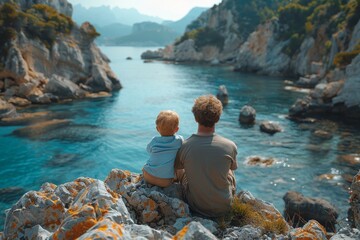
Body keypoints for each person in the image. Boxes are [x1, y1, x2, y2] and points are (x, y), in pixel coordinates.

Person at [175, 95, 238, 217]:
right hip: (224, 207)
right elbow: (233, 168)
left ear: (195, 118)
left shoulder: (185, 146)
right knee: (229, 170)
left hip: (195, 206)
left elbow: (176, 169)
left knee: (180, 168)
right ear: (218, 119)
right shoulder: (230, 145)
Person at [143, 110, 183, 188]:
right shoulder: (179, 140)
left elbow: (148, 150)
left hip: (148, 176)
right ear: (177, 129)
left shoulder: (154, 140)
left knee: (145, 166)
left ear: (157, 129)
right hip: (165, 182)